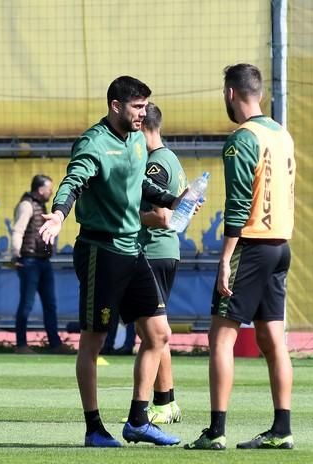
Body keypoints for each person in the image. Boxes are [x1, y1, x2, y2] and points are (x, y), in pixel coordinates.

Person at [39, 76, 184, 448]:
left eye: (146, 106)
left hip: (133, 249)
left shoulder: (138, 140)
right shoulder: (93, 142)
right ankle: (94, 429)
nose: (144, 113)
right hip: (100, 252)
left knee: (159, 335)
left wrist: (172, 199)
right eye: (137, 106)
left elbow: (140, 187)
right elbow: (74, 182)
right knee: (94, 342)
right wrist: (57, 215)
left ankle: (138, 420)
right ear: (116, 106)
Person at [185, 63, 296, 451]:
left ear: (230, 94)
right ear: (260, 94)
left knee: (221, 338)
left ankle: (216, 431)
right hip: (281, 245)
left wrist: (224, 259)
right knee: (272, 339)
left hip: (250, 245)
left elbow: (237, 204)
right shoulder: (281, 134)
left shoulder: (242, 139)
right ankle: (282, 429)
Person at [138, 102, 187, 424]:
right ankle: (167, 402)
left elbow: (161, 216)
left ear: (143, 128)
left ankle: (161, 404)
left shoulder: (156, 164)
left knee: (154, 333)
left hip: (153, 251)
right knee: (155, 333)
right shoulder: (171, 159)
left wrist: (123, 221)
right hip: (164, 252)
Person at [10, 175, 72, 355]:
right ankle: (21, 345)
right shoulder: (26, 205)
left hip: (43, 262)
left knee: (50, 305)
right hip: (29, 262)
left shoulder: (40, 206)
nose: (51, 191)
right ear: (40, 189)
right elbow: (18, 231)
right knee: (26, 305)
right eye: (49, 188)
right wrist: (16, 255)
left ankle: (54, 344)